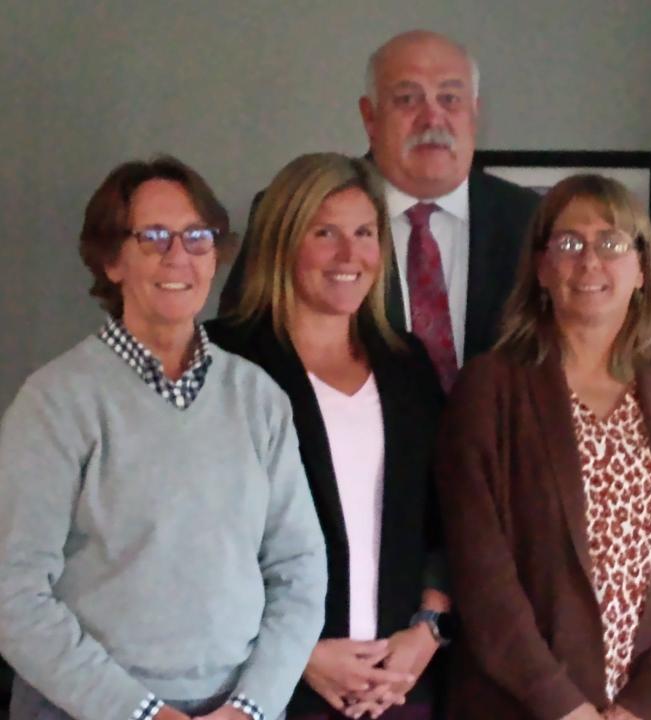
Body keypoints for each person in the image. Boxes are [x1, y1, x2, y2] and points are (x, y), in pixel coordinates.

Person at [0, 157, 327, 720]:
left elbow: (299, 571)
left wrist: (251, 708)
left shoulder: (258, 398)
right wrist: (143, 714)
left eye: (197, 236)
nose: (179, 256)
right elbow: (13, 595)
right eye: (152, 237)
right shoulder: (55, 402)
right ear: (111, 260)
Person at [435, 175, 651, 720]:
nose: (590, 261)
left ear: (640, 269)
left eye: (611, 243)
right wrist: (563, 706)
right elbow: (480, 572)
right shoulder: (489, 390)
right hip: (519, 707)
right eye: (568, 243)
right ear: (540, 268)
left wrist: (646, 706)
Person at [207, 153, 450, 720]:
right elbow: (199, 544)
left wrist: (429, 630)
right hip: (270, 691)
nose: (350, 255)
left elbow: (445, 517)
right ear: (283, 243)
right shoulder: (224, 359)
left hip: (399, 691)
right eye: (325, 233)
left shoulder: (407, 364)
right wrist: (298, 655)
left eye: (365, 233)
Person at [219, 30, 540, 389]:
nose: (432, 118)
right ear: (369, 117)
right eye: (407, 99)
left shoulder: (532, 220)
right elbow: (237, 357)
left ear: (475, 114)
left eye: (450, 98)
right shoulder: (294, 210)